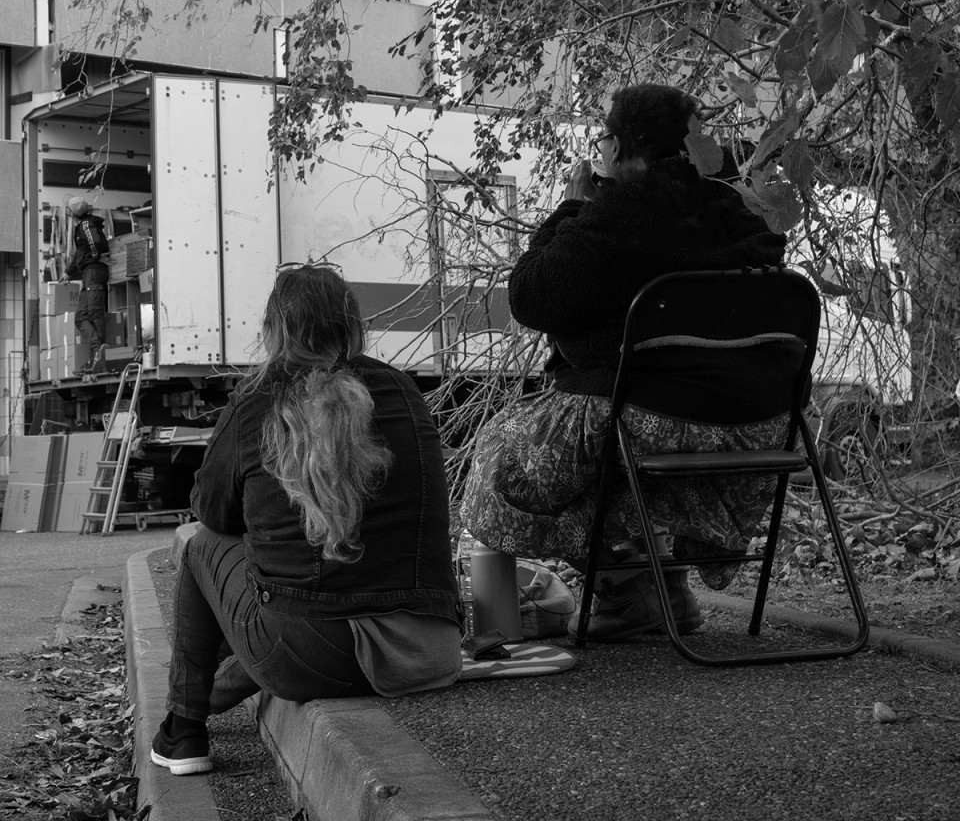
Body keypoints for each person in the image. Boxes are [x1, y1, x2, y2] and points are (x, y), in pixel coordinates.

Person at [459, 83, 787, 642]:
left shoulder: (613, 217)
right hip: (756, 423)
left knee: (512, 444)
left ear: (616, 147)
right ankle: (665, 591)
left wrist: (573, 207)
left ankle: (624, 590)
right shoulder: (733, 212)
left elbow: (531, 297)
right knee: (610, 438)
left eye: (604, 137)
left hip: (648, 416)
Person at [150, 265, 461, 777]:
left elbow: (212, 512)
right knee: (288, 596)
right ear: (353, 327)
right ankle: (201, 702)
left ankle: (185, 728)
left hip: (308, 658)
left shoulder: (256, 402)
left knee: (202, 547)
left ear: (274, 330)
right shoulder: (405, 391)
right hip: (430, 650)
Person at [66, 199, 109, 375]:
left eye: (69, 209)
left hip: (94, 272)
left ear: (74, 212)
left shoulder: (85, 226)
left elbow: (95, 243)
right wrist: (69, 271)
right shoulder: (83, 226)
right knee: (81, 317)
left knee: (94, 314)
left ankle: (98, 355)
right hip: (89, 273)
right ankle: (96, 353)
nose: (67, 212)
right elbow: (80, 252)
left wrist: (93, 257)